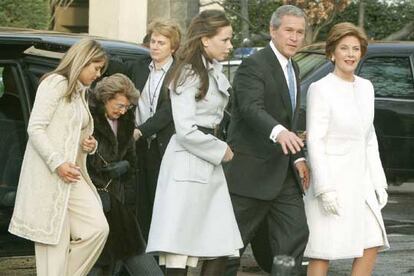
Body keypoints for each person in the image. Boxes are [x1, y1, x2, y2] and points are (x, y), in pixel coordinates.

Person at [146, 10, 243, 276]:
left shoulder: (213, 71)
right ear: (205, 40)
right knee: (180, 247)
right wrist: (221, 150)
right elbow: (185, 129)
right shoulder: (188, 73)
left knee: (220, 243)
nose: (230, 45)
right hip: (188, 163)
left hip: (206, 163)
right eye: (225, 39)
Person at [8, 38, 109, 276]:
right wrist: (57, 163)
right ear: (83, 61)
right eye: (96, 68)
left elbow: (75, 132)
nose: (98, 75)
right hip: (49, 178)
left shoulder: (80, 93)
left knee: (97, 229)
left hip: (73, 177)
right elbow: (36, 128)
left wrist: (88, 144)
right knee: (53, 250)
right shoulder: (54, 83)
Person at [224, 5, 310, 275]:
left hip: (283, 175)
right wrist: (278, 132)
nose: (295, 38)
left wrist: (298, 157)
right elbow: (250, 107)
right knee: (228, 248)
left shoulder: (293, 66)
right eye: (289, 31)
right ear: (273, 31)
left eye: (300, 32)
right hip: (250, 174)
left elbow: (291, 118)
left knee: (294, 236)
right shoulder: (254, 64)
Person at [304, 22, 390, 276]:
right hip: (332, 181)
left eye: (356, 48)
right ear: (332, 53)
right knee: (324, 250)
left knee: (371, 242)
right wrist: (325, 189)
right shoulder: (320, 89)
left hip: (361, 181)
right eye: (344, 48)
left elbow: (369, 137)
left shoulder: (366, 87)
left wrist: (379, 182)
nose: (351, 54)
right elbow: (315, 140)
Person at [106, 19, 181, 241]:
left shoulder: (181, 72)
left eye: (161, 43)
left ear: (173, 47)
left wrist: (141, 131)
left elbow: (169, 111)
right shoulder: (138, 66)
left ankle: (158, 256)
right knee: (139, 201)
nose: (155, 46)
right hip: (137, 146)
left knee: (161, 202)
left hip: (162, 145)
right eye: (153, 41)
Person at [86, 73, 163, 275]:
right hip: (93, 199)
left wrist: (125, 166)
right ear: (105, 98)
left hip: (119, 201)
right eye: (119, 105)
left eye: (126, 107)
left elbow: (132, 162)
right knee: (99, 261)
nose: (122, 111)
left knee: (130, 257)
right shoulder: (88, 119)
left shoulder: (127, 121)